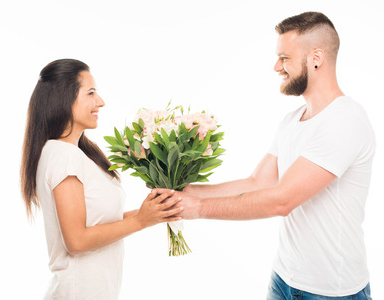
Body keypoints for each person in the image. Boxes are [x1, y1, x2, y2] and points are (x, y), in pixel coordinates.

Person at [157, 11, 375, 299]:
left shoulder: (345, 120)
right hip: (284, 278)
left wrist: (197, 208)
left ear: (316, 58)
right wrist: (187, 191)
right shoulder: (292, 120)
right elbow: (258, 182)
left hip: (331, 291)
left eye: (284, 58)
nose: (276, 66)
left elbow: (282, 199)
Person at [20, 59, 182, 300]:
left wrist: (151, 213)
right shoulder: (64, 155)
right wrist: (141, 221)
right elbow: (76, 240)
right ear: (65, 97)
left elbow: (99, 223)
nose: (101, 102)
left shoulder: (75, 153)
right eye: (91, 92)